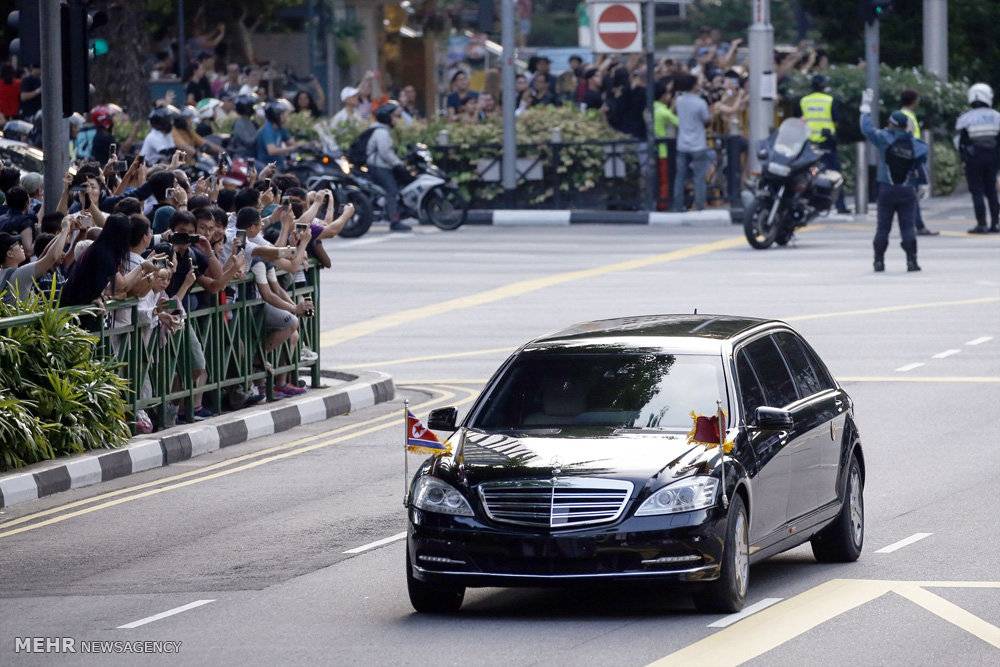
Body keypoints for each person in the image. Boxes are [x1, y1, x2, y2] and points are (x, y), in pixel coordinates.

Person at [859, 89, 928, 272]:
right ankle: (911, 261)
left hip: (886, 189)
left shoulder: (883, 138)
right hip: (907, 190)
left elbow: (866, 128)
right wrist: (922, 184)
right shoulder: (915, 144)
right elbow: (922, 162)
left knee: (883, 228)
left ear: (891, 123)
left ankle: (879, 261)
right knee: (908, 227)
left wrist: (865, 107)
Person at [799, 75, 849, 213]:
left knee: (812, 172)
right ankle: (840, 206)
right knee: (835, 173)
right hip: (827, 144)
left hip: (810, 144)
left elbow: (800, 120)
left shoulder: (804, 101)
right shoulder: (829, 100)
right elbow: (837, 121)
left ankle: (808, 203)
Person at [955, 83, 1000, 234]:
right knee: (992, 191)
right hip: (993, 157)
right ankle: (996, 224)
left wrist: (963, 159)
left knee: (977, 191)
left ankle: (981, 224)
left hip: (973, 159)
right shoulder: (996, 116)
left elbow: (959, 143)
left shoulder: (965, 118)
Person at [0, 218, 71, 304]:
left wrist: (59, 235)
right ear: (10, 253)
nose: (21, 246)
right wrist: (65, 228)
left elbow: (43, 257)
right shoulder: (20, 274)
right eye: (17, 244)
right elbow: (52, 257)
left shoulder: (3, 273)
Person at [671, 75, 714, 212]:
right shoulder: (700, 102)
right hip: (698, 144)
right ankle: (700, 205)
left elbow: (674, 112)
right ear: (693, 85)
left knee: (680, 176)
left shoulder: (679, 101)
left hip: (682, 143)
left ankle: (678, 205)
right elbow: (706, 120)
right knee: (699, 177)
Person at [899, 89, 939, 236]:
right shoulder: (907, 116)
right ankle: (918, 226)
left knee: (910, 195)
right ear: (914, 101)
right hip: (910, 160)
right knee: (911, 195)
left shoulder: (903, 115)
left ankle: (915, 225)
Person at [365, 102, 410, 232]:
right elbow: (385, 153)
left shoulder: (382, 130)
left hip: (381, 165)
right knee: (392, 191)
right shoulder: (381, 132)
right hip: (379, 167)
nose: (398, 119)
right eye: (395, 116)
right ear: (387, 117)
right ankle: (394, 221)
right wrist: (398, 163)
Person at [653, 80, 679, 211]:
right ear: (662, 96)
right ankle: (664, 204)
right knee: (665, 179)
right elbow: (677, 122)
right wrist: (673, 108)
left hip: (656, 148)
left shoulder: (653, 107)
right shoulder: (663, 111)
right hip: (664, 150)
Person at [255, 100, 299, 171]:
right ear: (276, 115)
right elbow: (272, 151)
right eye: (284, 114)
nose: (287, 116)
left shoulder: (280, 128)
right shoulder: (267, 129)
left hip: (279, 166)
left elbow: (291, 142)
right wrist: (292, 148)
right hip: (267, 169)